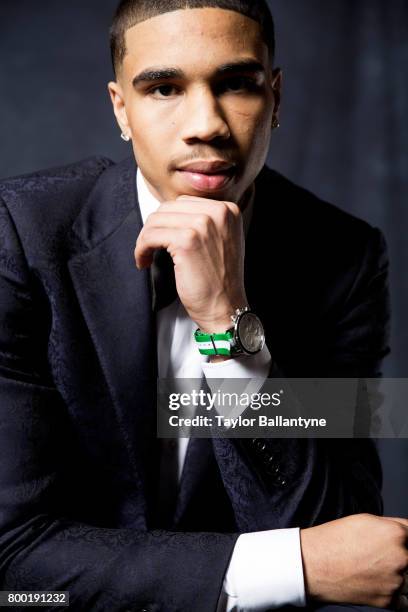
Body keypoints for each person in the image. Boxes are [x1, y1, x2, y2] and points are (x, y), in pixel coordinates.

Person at [0, 1, 407, 611]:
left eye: (237, 84)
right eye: (164, 88)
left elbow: (339, 528)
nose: (206, 124)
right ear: (121, 109)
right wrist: (281, 567)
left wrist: (228, 322)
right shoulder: (19, 234)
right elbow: (13, 565)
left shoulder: (344, 258)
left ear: (276, 96)